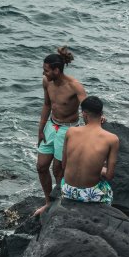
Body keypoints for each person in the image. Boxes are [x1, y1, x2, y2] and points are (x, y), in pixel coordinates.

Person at [34, 46, 87, 215]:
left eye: (47, 70)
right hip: (51, 126)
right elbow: (47, 105)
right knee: (41, 167)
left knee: (58, 170)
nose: (44, 73)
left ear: (57, 70)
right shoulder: (46, 82)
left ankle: (60, 204)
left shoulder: (74, 86)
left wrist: (99, 118)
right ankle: (49, 202)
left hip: (67, 130)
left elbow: (86, 107)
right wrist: (41, 130)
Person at [61, 96, 119, 204]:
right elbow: (110, 175)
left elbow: (64, 165)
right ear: (101, 113)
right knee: (108, 191)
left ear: (84, 114)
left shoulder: (71, 131)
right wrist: (100, 169)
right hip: (90, 194)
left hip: (68, 191)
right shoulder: (112, 139)